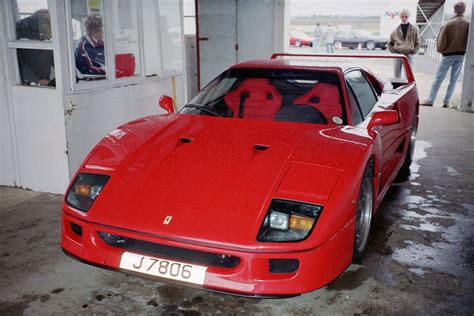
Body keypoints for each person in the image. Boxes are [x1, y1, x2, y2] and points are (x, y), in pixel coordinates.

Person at [421, 2, 470, 108]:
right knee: (454, 79)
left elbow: (441, 42)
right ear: (464, 10)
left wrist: (441, 50)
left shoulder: (448, 24)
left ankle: (430, 99)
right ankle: (447, 101)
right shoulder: (468, 24)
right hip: (461, 55)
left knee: (439, 78)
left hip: (448, 55)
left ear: (454, 10)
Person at [15, 9, 54, 86]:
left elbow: (54, 58)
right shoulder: (24, 34)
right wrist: (36, 79)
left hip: (43, 79)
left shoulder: (45, 38)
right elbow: (19, 62)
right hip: (26, 84)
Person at [388, 9, 420, 78]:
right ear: (400, 17)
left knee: (408, 76)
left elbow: (418, 42)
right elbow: (390, 43)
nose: (404, 18)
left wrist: (413, 51)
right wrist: (395, 50)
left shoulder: (414, 29)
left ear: (408, 17)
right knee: (397, 75)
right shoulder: (396, 30)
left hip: (409, 55)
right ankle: (398, 88)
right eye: (402, 16)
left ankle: (407, 88)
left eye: (406, 17)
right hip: (398, 55)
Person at [75, 14, 106, 80]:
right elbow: (88, 69)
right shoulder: (83, 45)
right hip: (89, 81)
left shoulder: (100, 42)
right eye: (102, 29)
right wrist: (109, 70)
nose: (103, 32)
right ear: (95, 31)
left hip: (102, 77)